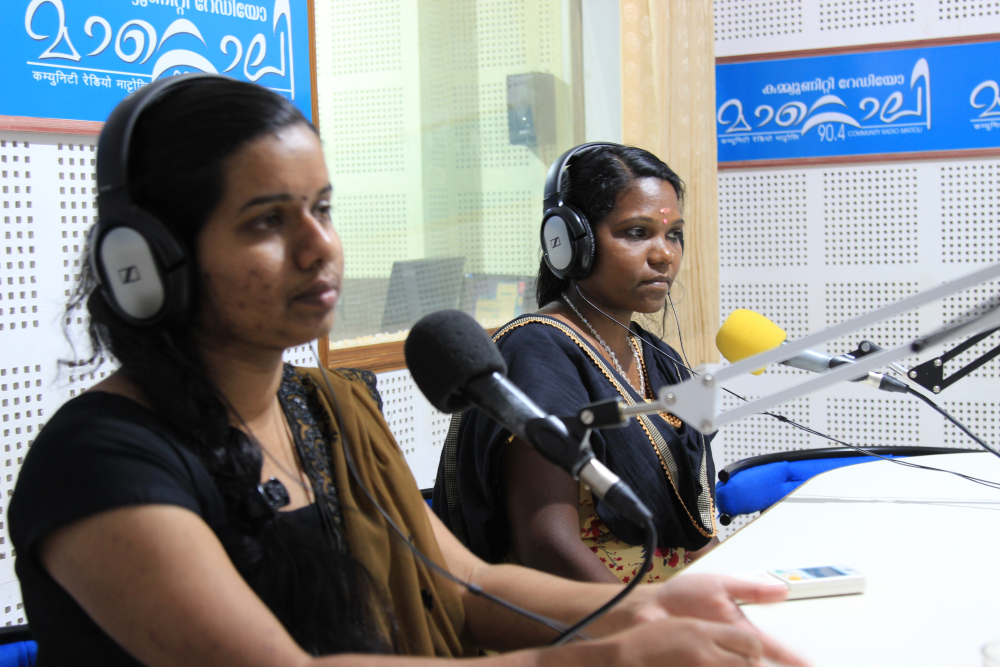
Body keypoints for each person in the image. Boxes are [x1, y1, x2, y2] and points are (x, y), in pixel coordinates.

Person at [9, 76, 805, 667]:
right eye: (266, 221)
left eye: (322, 208)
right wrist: (598, 654)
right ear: (146, 264)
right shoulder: (99, 463)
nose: (320, 247)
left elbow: (462, 587)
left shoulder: (321, 410)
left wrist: (648, 610)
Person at [434, 144, 718, 585]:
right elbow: (547, 548)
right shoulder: (537, 354)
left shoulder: (659, 359)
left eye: (674, 233)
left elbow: (694, 529)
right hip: (587, 626)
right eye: (637, 232)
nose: (664, 254)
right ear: (567, 243)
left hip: (672, 609)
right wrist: (652, 624)